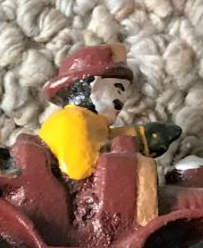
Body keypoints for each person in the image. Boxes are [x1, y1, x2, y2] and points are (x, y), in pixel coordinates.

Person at [36, 44, 182, 181]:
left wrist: (143, 137)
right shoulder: (73, 120)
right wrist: (129, 150)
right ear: (94, 86)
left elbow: (110, 139)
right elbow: (81, 170)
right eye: (118, 90)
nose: (122, 101)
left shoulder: (92, 123)